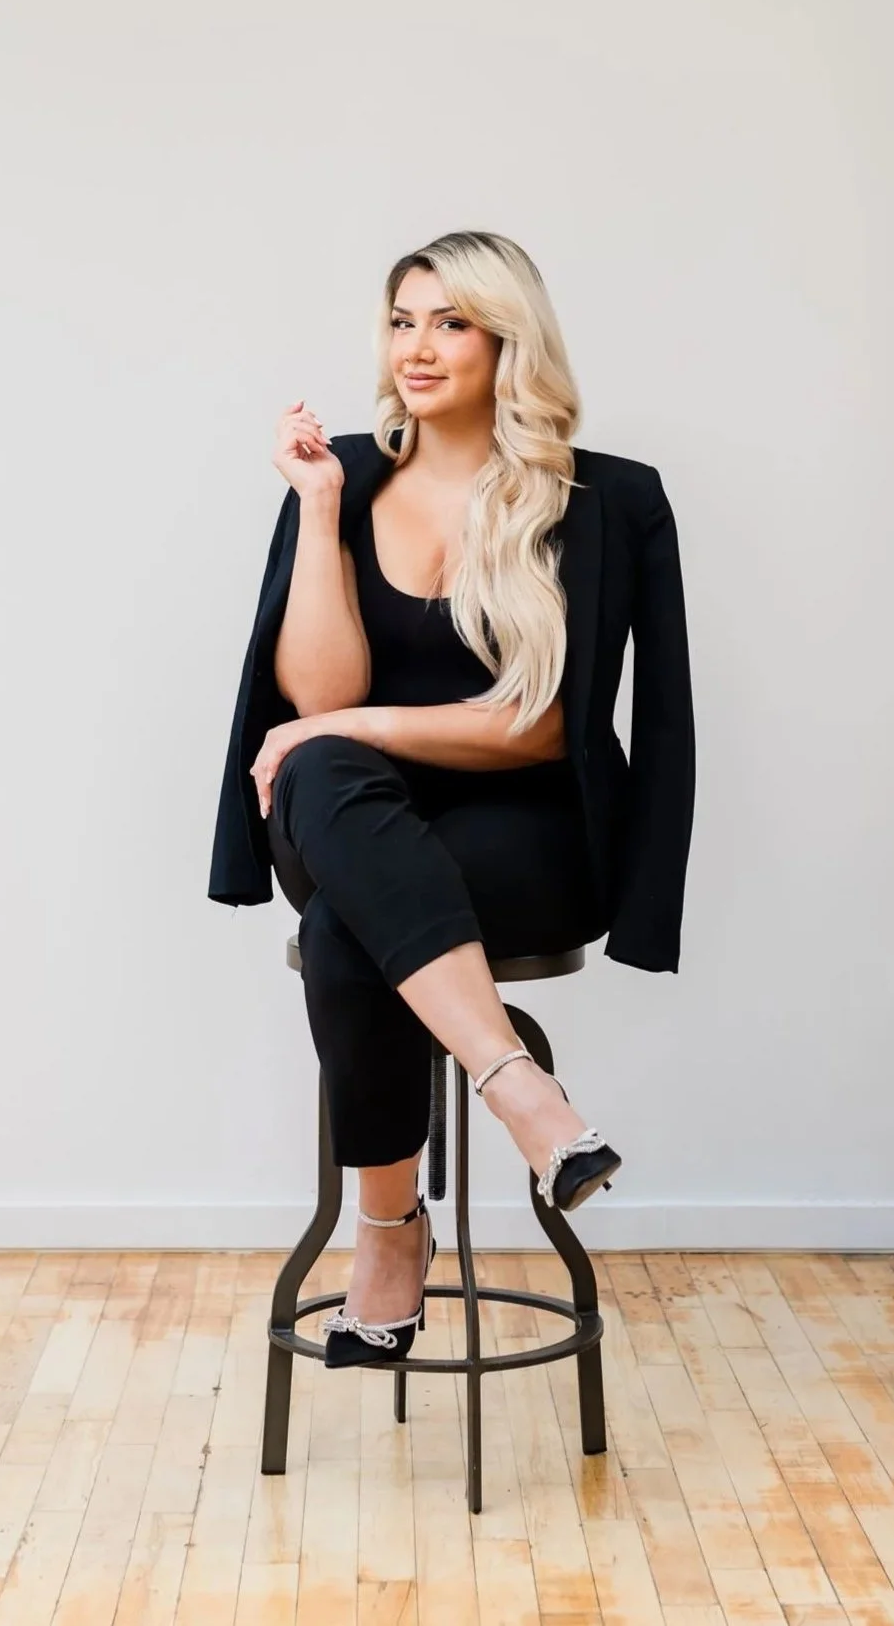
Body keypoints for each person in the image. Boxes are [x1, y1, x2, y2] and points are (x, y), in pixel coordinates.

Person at [208, 230, 695, 1367]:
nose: (415, 347)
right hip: (350, 814)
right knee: (328, 782)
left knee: (347, 913)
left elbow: (539, 721)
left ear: (505, 339)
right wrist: (320, 509)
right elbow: (316, 690)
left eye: (448, 322)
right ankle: (525, 1096)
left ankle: (386, 1237)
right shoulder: (346, 474)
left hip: (531, 834)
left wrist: (344, 726)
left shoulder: (601, 500)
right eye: (399, 321)